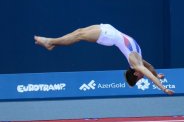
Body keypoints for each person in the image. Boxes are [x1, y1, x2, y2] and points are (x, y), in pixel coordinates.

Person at [34, 24, 174, 95]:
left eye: (140, 79)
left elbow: (148, 72)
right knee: (78, 32)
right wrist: (160, 80)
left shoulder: (135, 63)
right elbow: (150, 69)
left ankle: (50, 42)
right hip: (109, 31)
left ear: (136, 73)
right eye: (141, 79)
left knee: (79, 36)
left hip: (109, 35)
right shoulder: (138, 62)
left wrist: (161, 85)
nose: (142, 77)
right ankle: (51, 42)